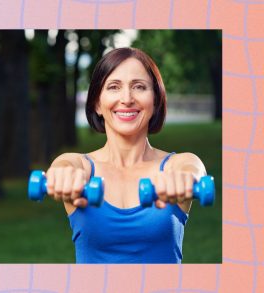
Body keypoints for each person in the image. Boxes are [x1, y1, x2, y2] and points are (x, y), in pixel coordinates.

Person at [45, 47, 206, 264]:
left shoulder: (176, 165)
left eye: (139, 87)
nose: (127, 98)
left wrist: (186, 179)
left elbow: (192, 170)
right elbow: (63, 166)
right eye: (114, 87)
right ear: (97, 104)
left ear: (156, 101)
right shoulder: (80, 166)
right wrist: (62, 176)